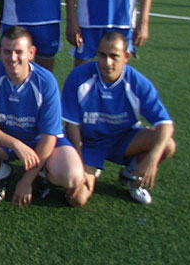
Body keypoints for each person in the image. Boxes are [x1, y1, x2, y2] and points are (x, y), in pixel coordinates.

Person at [0, 26, 84, 207]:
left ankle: (41, 174)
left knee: (72, 176)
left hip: (39, 142)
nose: (13, 58)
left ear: (31, 53)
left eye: (19, 52)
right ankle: (3, 174)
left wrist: (26, 181)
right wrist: (16, 144)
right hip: (6, 141)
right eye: (7, 52)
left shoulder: (46, 82)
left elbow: (49, 137)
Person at [61, 32, 176, 206]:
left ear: (126, 56)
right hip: (89, 144)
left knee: (167, 145)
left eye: (114, 56)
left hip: (123, 140)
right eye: (103, 55)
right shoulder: (79, 77)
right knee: (76, 199)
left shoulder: (137, 83)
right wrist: (79, 163)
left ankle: (130, 175)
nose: (107, 62)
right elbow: (72, 125)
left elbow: (165, 124)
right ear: (97, 54)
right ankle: (90, 168)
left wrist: (152, 158)